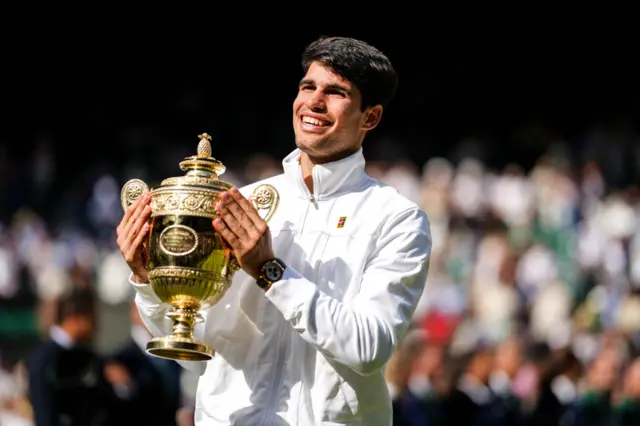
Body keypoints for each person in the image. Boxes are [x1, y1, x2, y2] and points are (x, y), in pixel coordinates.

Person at [116, 36, 432, 425]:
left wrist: (271, 272)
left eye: (336, 93)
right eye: (307, 86)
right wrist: (148, 277)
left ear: (370, 117)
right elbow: (191, 334)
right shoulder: (242, 202)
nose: (314, 102)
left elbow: (368, 347)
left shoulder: (397, 218)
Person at [24, 289, 120, 426]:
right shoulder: (45, 359)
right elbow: (44, 412)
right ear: (73, 317)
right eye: (90, 317)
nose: (96, 324)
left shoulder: (89, 357)